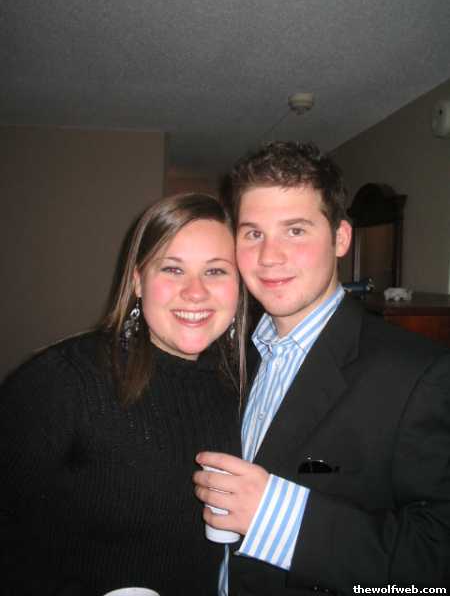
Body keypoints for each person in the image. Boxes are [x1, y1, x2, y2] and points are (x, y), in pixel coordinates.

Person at [193, 141, 450, 594]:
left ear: (341, 238)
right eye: (253, 234)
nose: (269, 256)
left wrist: (277, 516)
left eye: (295, 230)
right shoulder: (231, 354)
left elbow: (435, 564)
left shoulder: (419, 374)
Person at [0, 192, 248, 596]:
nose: (195, 292)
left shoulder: (245, 383)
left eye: (216, 271)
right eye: (172, 269)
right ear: (137, 281)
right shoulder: (62, 380)